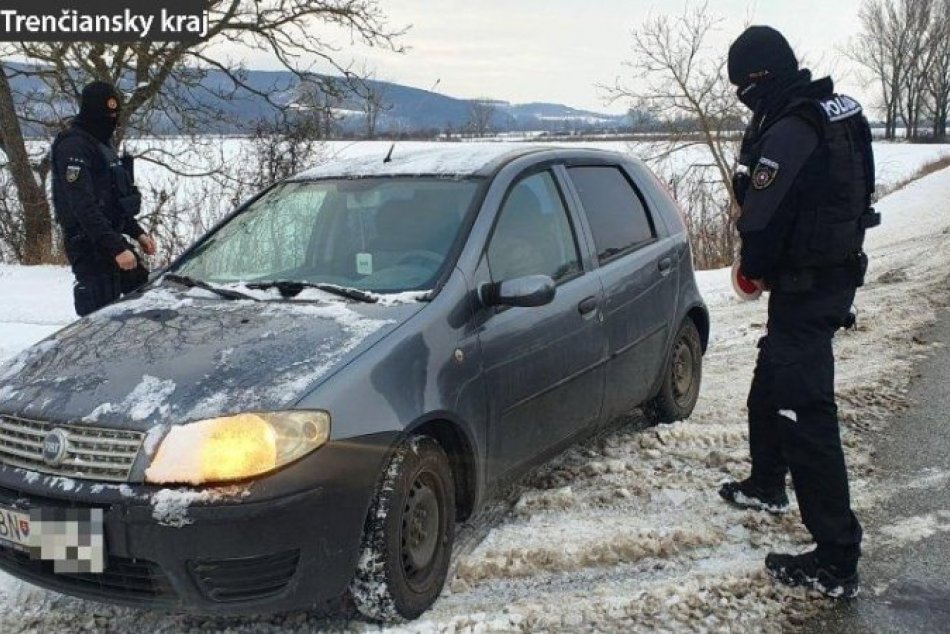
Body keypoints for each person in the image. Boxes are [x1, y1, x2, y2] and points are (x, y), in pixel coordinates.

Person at [718, 26, 879, 599]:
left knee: (804, 413)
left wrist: (751, 269)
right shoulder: (837, 113)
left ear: (759, 77)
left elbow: (761, 220)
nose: (741, 97)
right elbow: (854, 197)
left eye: (743, 85)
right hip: (832, 276)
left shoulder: (790, 128)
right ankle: (766, 483)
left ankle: (836, 558)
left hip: (807, 287)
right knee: (773, 376)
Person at [50, 81, 156, 317]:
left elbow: (112, 202)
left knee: (141, 295)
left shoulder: (102, 145)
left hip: (109, 238)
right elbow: (83, 206)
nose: (112, 119)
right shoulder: (73, 146)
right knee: (100, 317)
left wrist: (137, 232)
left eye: (115, 113)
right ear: (91, 112)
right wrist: (117, 248)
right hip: (88, 244)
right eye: (106, 114)